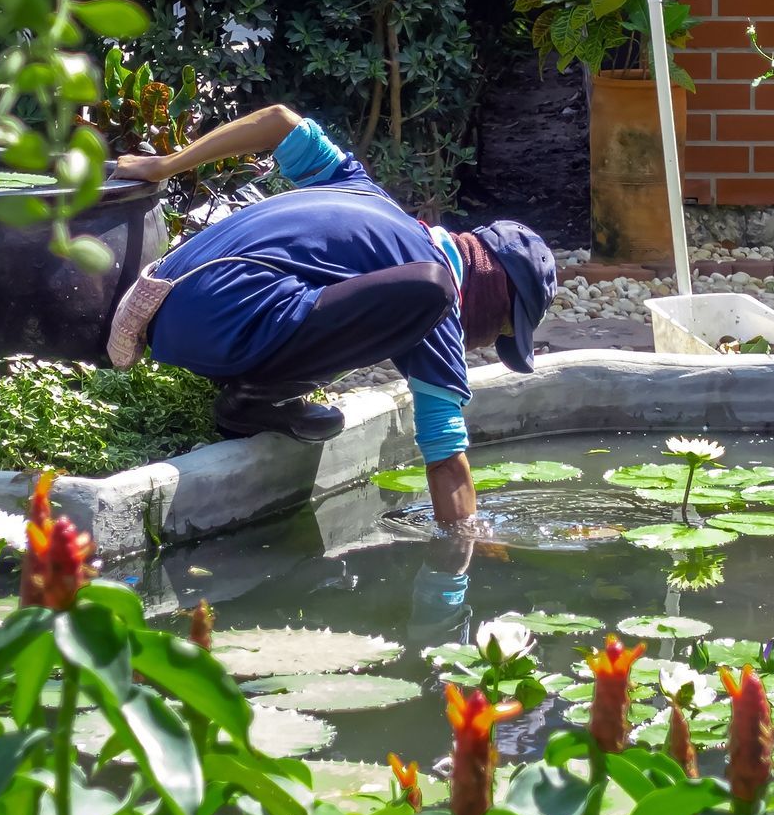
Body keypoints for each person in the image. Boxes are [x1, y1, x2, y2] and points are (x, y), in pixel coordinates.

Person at [111, 105, 556, 525]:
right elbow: (445, 457)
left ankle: (255, 387)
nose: (480, 344)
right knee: (430, 289)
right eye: (500, 329)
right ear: (494, 291)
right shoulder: (437, 297)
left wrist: (165, 165)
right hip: (213, 321)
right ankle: (253, 399)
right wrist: (468, 552)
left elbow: (279, 120)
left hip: (159, 297)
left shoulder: (362, 188)